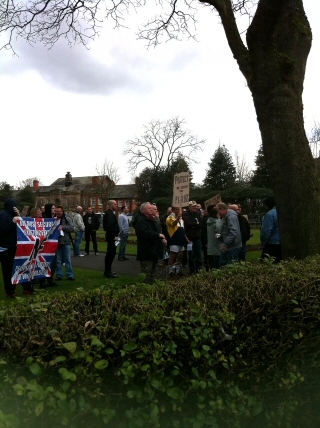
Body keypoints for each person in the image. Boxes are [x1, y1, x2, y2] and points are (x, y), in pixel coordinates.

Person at [135, 202, 167, 284]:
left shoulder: (151, 219)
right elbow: (144, 233)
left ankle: (151, 289)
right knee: (147, 273)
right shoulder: (141, 220)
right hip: (146, 251)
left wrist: (161, 238)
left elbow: (157, 231)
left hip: (153, 251)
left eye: (151, 208)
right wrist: (158, 235)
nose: (151, 210)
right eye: (149, 208)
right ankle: (145, 290)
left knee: (153, 273)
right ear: (143, 210)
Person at [0, 198, 20, 298]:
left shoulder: (13, 215)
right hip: (6, 247)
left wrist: (18, 216)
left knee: (14, 270)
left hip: (14, 246)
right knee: (7, 270)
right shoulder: (3, 214)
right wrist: (12, 222)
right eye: (14, 206)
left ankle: (12, 288)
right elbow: (2, 230)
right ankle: (9, 291)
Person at [216, 202, 242, 267]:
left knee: (231, 266)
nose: (217, 213)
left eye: (217, 211)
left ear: (222, 209)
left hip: (232, 247)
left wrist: (225, 243)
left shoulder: (231, 217)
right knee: (222, 264)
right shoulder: (226, 216)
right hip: (228, 246)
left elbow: (233, 232)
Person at [166, 206, 188, 278]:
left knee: (180, 255)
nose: (179, 211)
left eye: (179, 209)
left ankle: (178, 271)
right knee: (173, 255)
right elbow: (173, 224)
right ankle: (171, 271)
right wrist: (178, 217)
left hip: (181, 239)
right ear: (173, 210)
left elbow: (182, 230)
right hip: (174, 239)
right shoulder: (169, 218)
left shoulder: (182, 220)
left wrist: (186, 238)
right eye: (177, 209)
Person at [55, 205, 75, 281]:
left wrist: (63, 227)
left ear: (62, 211)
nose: (58, 213)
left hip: (65, 241)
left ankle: (70, 275)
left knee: (67, 259)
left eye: (59, 211)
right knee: (58, 260)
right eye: (56, 211)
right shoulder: (53, 219)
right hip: (57, 242)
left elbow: (72, 228)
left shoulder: (67, 219)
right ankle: (59, 275)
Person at [183, 201, 203, 275]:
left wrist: (194, 224)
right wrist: (195, 224)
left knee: (198, 253)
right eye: (193, 206)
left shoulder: (198, 213)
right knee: (191, 254)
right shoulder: (185, 214)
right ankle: (191, 269)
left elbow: (201, 223)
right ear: (189, 207)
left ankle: (199, 268)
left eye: (195, 206)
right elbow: (187, 223)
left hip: (197, 237)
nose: (195, 208)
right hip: (189, 238)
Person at [260, 196, 281, 263]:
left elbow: (266, 231)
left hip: (272, 244)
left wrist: (263, 242)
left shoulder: (270, 214)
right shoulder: (282, 212)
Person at [103, 200, 120, 278]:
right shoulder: (109, 214)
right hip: (112, 237)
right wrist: (114, 236)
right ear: (110, 205)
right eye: (115, 204)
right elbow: (109, 227)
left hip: (112, 236)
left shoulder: (110, 213)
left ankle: (108, 270)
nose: (116, 205)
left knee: (111, 254)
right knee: (110, 254)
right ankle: (107, 271)